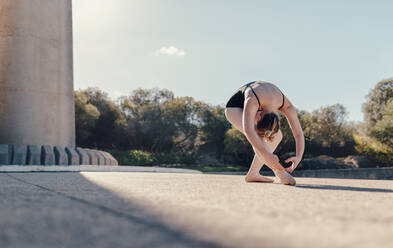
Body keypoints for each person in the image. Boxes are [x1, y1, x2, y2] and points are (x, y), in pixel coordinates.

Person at [225, 81, 304, 185]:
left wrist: (299, 156)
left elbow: (298, 132)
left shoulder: (287, 106)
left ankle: (253, 174)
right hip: (234, 108)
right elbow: (249, 130)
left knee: (278, 136)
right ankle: (281, 174)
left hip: (260, 96)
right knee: (257, 135)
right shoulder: (252, 98)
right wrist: (268, 156)